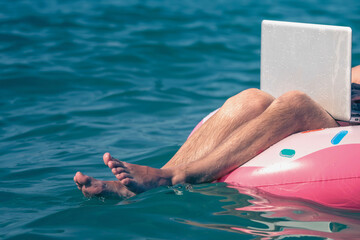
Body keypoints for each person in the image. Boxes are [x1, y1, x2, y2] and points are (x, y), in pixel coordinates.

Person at [74, 65, 360, 199]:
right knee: (253, 98)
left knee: (295, 103)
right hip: (345, 112)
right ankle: (142, 184)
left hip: (347, 127)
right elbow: (345, 78)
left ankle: (178, 175)